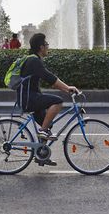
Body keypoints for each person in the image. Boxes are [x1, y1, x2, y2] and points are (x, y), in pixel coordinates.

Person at [18, 33, 80, 165]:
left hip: (30, 97)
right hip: (29, 99)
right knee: (57, 102)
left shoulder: (34, 59)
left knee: (48, 124)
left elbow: (49, 79)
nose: (48, 47)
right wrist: (68, 88)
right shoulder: (34, 60)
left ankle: (41, 155)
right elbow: (49, 78)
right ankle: (42, 132)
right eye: (46, 44)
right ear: (41, 47)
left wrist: (66, 88)